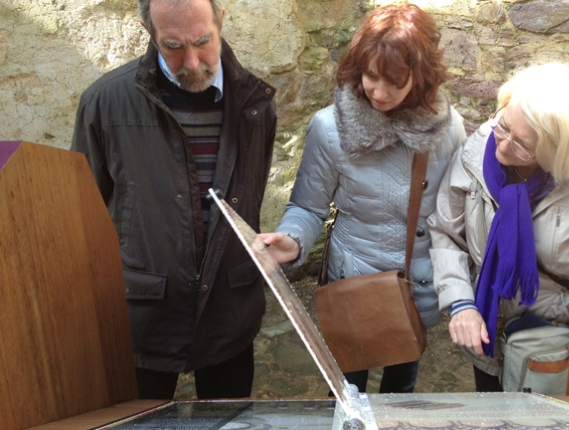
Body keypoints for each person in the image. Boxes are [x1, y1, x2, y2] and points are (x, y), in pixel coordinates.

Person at [71, 0, 276, 400]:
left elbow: (250, 200)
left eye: (203, 41)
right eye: (172, 46)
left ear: (222, 21)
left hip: (228, 312)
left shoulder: (256, 103)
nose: (193, 62)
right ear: (149, 31)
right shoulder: (103, 102)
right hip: (144, 315)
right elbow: (84, 213)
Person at [260, 4, 466, 393]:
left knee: (400, 392)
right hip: (354, 284)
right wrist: (293, 239)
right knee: (345, 392)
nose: (380, 92)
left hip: (413, 287)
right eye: (372, 76)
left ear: (420, 78)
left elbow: (456, 212)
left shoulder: (447, 127)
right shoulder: (329, 127)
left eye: (395, 81)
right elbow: (307, 206)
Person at [427, 62, 569, 392]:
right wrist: (461, 303)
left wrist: (568, 324)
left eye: (522, 145)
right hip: (487, 336)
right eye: (503, 125)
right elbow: (446, 233)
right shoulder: (477, 153)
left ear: (558, 151)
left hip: (553, 346)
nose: (501, 145)